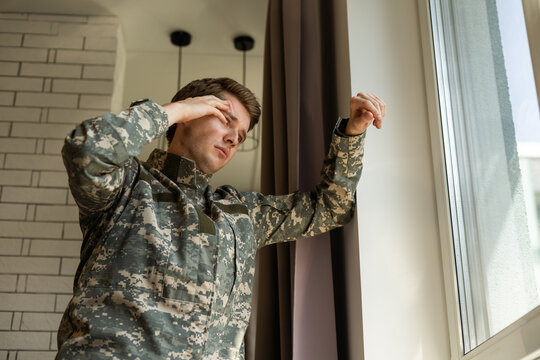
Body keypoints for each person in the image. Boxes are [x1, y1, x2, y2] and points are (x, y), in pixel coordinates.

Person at [56, 77, 385, 360]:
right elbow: (87, 149)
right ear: (189, 114)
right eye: (225, 120)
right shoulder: (127, 187)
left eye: (241, 135)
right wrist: (173, 110)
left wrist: (352, 133)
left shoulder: (240, 212)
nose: (233, 138)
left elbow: (330, 207)